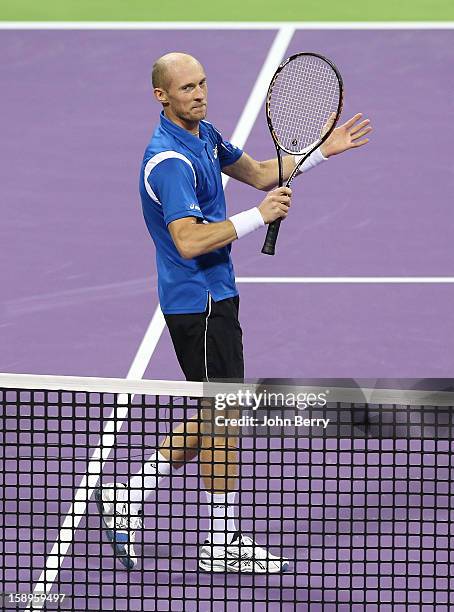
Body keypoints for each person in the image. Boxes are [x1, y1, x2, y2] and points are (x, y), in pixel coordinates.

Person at [95, 52, 372, 573]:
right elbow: (189, 240)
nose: (198, 94)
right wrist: (256, 218)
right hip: (195, 304)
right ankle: (220, 541)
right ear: (162, 96)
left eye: (202, 84)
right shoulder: (169, 161)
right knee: (225, 415)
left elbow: (264, 174)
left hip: (217, 294)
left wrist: (321, 153)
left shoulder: (204, 135)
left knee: (220, 410)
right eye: (186, 88)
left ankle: (127, 497)